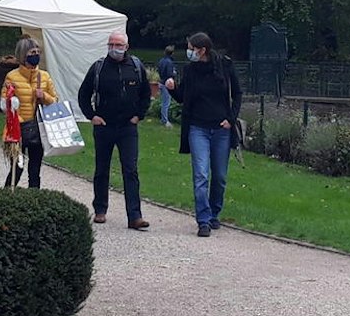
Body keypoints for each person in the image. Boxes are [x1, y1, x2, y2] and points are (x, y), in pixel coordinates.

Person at [166, 32, 241, 237]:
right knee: (201, 174)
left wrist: (231, 118)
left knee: (220, 176)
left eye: (191, 48)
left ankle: (214, 211)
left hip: (221, 129)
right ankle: (203, 219)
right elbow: (183, 97)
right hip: (197, 128)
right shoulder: (190, 70)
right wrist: (172, 88)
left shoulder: (225, 66)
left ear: (202, 50)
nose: (189, 52)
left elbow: (237, 93)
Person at [77, 31, 150, 229]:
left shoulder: (135, 67)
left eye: (118, 45)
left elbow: (145, 94)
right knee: (102, 169)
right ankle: (100, 209)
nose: (114, 48)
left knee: (130, 169)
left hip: (128, 126)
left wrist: (139, 115)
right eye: (111, 44)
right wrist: (92, 116)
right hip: (104, 126)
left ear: (126, 47)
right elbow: (84, 94)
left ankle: (135, 216)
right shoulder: (99, 68)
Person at [2, 37, 57, 188]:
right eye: (32, 52)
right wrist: (16, 117)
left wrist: (43, 96)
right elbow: (4, 103)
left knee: (35, 169)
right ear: (23, 54)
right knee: (17, 167)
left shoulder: (44, 76)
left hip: (38, 129)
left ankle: (34, 196)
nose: (36, 55)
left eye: (38, 52)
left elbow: (54, 100)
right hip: (17, 129)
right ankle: (7, 194)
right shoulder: (12, 77)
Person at [155, 45, 178, 126]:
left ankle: (163, 118)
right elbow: (169, 74)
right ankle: (165, 120)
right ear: (172, 53)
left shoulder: (161, 60)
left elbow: (158, 70)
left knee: (163, 102)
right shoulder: (169, 62)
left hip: (161, 82)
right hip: (166, 84)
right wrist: (174, 73)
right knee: (166, 103)